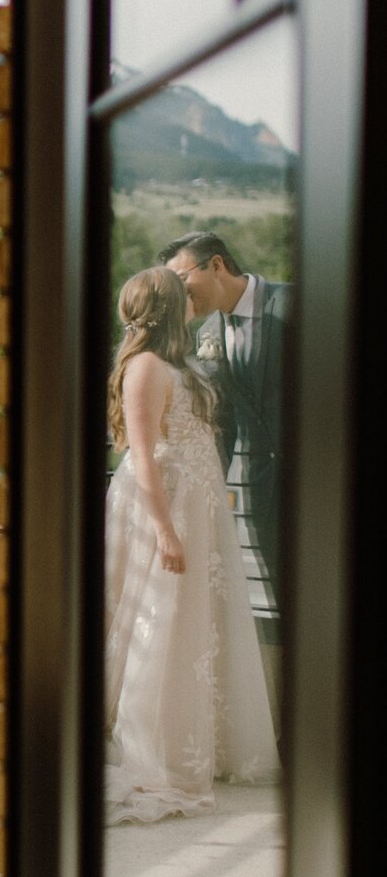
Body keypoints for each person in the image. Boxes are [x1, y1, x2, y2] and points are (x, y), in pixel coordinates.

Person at [104, 266, 279, 824]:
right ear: (166, 305)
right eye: (183, 295)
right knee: (163, 623)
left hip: (200, 508)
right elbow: (145, 457)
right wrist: (164, 530)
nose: (193, 301)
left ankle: (207, 744)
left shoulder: (179, 362)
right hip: (167, 506)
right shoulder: (146, 367)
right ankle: (157, 754)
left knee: (200, 623)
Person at [158, 231, 289, 605]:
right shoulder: (209, 335)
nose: (179, 294)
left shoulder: (298, 303)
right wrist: (203, 492)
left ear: (216, 265)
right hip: (264, 492)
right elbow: (223, 424)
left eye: (181, 281)